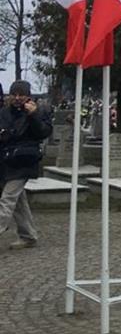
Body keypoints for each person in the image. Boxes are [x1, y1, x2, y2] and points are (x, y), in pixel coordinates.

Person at [0, 80, 53, 249]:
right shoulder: (4, 112)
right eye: (14, 94)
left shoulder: (38, 111)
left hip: (24, 161)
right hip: (6, 161)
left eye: (21, 95)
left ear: (28, 96)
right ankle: (28, 235)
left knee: (7, 199)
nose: (17, 98)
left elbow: (43, 132)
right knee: (18, 201)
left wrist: (33, 115)